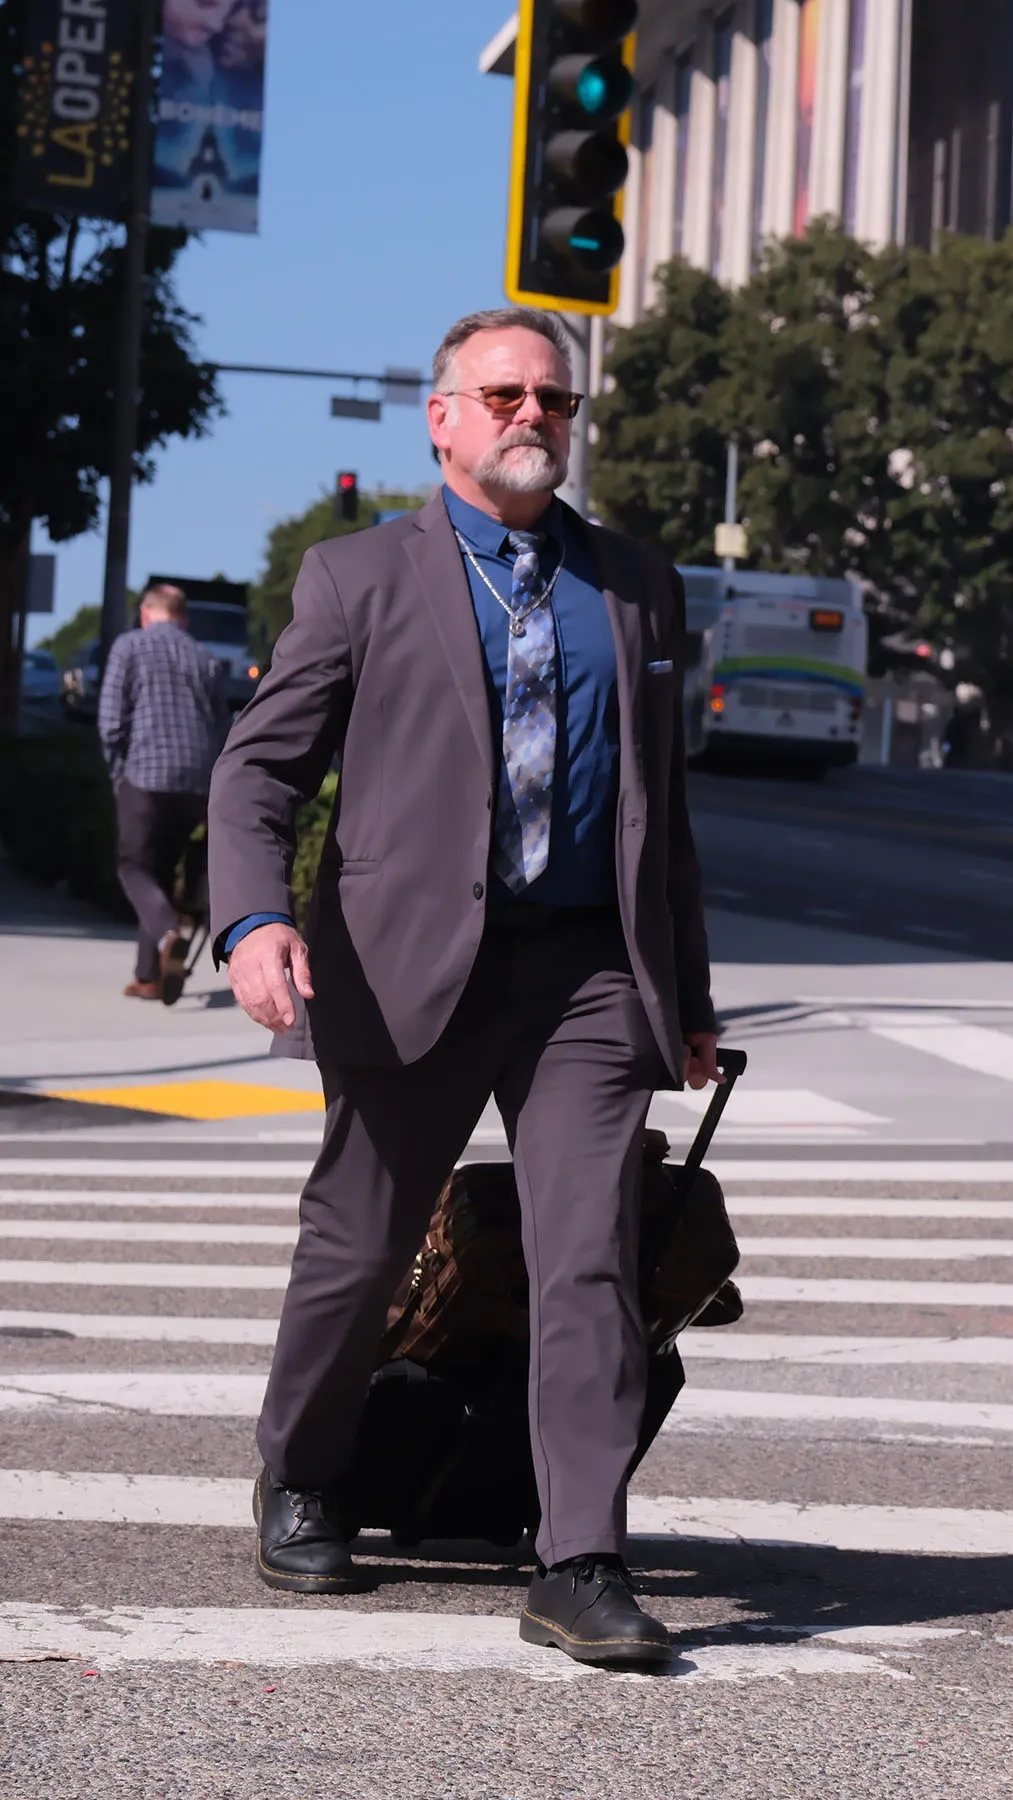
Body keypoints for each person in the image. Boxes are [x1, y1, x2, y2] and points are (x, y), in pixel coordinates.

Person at [208, 306, 717, 1668]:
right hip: (400, 967)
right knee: (359, 1244)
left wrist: (691, 994)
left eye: (552, 400)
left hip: (585, 977)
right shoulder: (357, 580)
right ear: (441, 419)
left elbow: (658, 815)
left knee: (590, 1255)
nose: (530, 418)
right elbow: (258, 774)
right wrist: (255, 918)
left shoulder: (637, 587)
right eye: (500, 396)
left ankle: (580, 1556)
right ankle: (303, 1474)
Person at [100, 581, 227, 1003]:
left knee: (133, 866)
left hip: (146, 777)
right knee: (159, 871)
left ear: (145, 613)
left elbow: (111, 722)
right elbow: (222, 728)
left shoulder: (129, 647)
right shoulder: (206, 658)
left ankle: (170, 933)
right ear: (183, 618)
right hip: (197, 784)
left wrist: (119, 775)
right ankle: (148, 974)